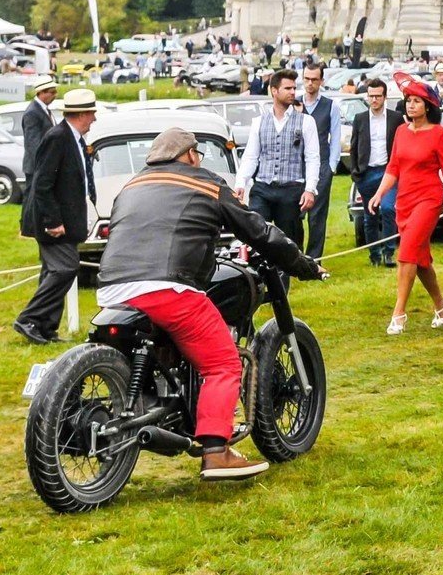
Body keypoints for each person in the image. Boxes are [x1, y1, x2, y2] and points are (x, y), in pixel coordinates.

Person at [96, 128, 323, 479]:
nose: (198, 159)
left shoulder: (132, 185)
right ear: (189, 155)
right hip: (167, 286)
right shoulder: (204, 181)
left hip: (112, 288)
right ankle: (217, 451)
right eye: (197, 154)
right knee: (223, 364)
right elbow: (259, 231)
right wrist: (304, 265)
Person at [13, 87, 100, 344]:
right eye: (92, 113)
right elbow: (42, 184)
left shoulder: (74, 138)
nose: (94, 119)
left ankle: (44, 329)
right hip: (53, 221)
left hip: (67, 219)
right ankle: (29, 319)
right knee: (66, 268)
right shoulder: (57, 137)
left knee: (53, 270)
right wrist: (53, 221)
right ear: (81, 114)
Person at [374, 78, 443, 333]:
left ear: (428, 106)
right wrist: (379, 194)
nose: (410, 105)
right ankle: (442, 305)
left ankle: (398, 313)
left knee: (407, 253)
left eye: (416, 101)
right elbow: (394, 168)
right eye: (408, 101)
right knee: (420, 259)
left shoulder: (439, 134)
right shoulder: (400, 131)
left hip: (429, 200)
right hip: (404, 200)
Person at [233, 69, 319, 243]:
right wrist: (241, 182)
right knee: (256, 231)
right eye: (287, 88)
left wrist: (310, 189)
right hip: (263, 187)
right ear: (274, 91)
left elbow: (312, 158)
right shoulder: (259, 121)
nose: (293, 92)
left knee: (289, 239)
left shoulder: (306, 121)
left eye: (294, 88)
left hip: (291, 188)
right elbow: (251, 156)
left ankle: (287, 271)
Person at [346, 78, 402, 266]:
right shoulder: (360, 119)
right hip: (366, 173)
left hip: (389, 172)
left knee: (388, 209)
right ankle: (374, 255)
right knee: (369, 216)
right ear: (367, 96)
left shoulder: (395, 118)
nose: (374, 100)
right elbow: (353, 148)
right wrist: (356, 174)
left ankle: (389, 252)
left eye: (378, 96)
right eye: (371, 96)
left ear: (385, 97)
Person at [298, 65, 340, 260]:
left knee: (317, 216)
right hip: (297, 165)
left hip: (322, 165)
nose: (310, 83)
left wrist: (331, 166)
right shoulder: (295, 104)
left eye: (314, 79)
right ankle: (295, 256)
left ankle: (314, 258)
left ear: (321, 81)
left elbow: (336, 138)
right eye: (307, 78)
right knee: (294, 213)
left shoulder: (331, 106)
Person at [20, 76, 59, 186]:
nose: (55, 95)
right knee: (32, 201)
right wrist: (46, 166)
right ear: (41, 93)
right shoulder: (32, 113)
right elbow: (33, 145)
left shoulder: (44, 110)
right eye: (52, 92)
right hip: (36, 169)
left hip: (43, 168)